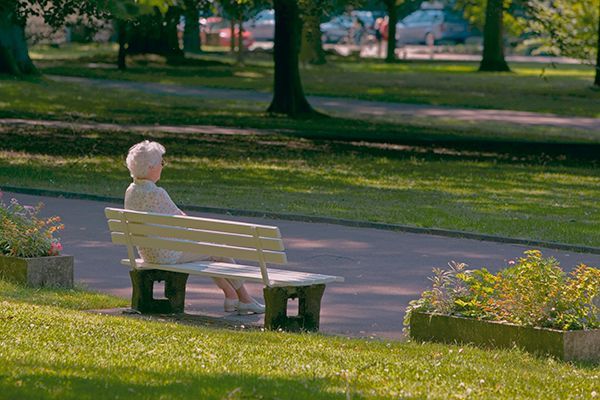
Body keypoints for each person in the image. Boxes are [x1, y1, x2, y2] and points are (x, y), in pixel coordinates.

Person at [124, 140, 265, 315]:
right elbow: (183, 221)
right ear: (151, 167)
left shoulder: (131, 191)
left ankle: (230, 295)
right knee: (218, 250)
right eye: (162, 162)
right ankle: (245, 299)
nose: (163, 166)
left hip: (148, 252)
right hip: (166, 255)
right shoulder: (156, 193)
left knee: (207, 250)